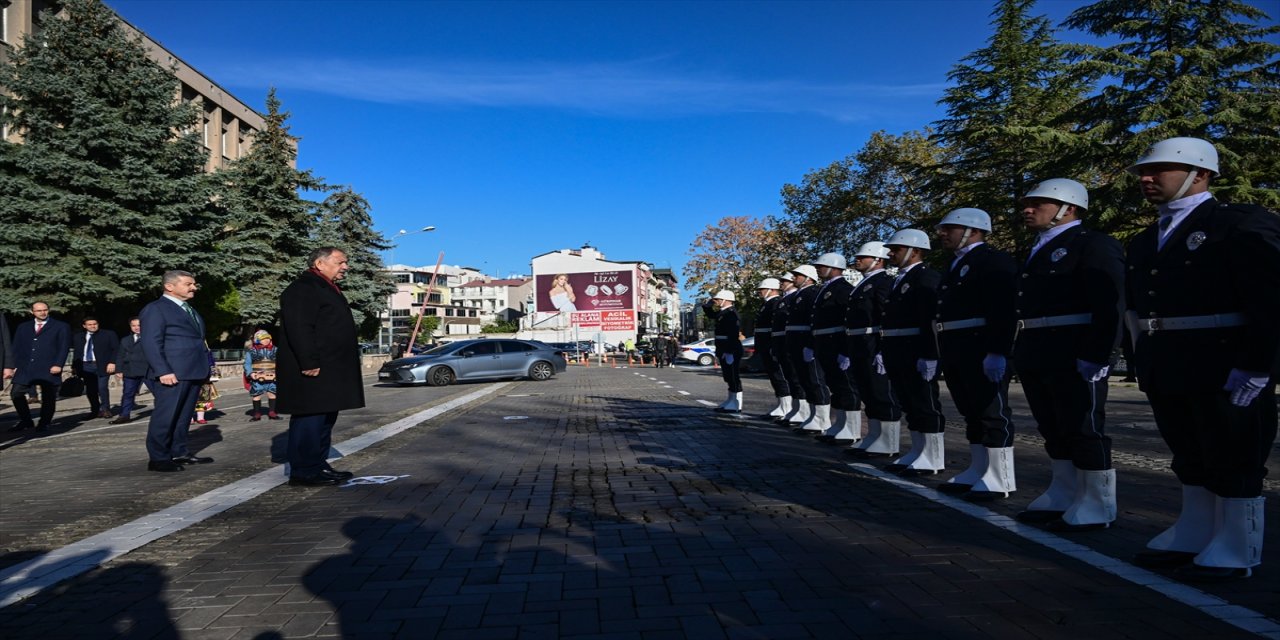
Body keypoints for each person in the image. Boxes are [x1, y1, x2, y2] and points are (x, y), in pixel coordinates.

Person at [1124, 137, 1279, 581]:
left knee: (1235, 455)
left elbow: (1271, 299)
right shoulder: (1145, 239)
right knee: (1188, 452)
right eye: (1142, 172)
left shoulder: (1240, 223)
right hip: (1169, 361)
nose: (1147, 179)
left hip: (1224, 362)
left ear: (1202, 174)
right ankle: (1196, 529)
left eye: (1160, 170)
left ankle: (1237, 544)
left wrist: (1259, 363)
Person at [1013, 179, 1125, 530]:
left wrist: (1100, 353)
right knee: (1052, 425)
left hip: (1075, 349)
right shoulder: (1036, 249)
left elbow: (1110, 303)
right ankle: (1063, 491)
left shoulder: (1092, 244)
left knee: (1084, 426)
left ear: (1069, 208)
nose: (1027, 210)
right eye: (1026, 204)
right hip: (1038, 348)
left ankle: (1097, 503)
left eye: (1038, 203)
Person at [931, 208, 1019, 500]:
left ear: (974, 230)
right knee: (971, 412)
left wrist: (998, 350)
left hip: (981, 345)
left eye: (950, 229)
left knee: (991, 411)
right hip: (958, 347)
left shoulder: (993, 260)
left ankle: (1000, 476)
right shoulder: (955, 265)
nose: (943, 234)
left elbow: (1003, 308)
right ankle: (979, 468)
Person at [277, 247, 364, 487]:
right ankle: (304, 471)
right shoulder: (303, 288)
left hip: (330, 369)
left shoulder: (324, 286)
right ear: (319, 263)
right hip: (313, 369)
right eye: (340, 262)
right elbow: (299, 327)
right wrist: (309, 361)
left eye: (346, 262)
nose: (345, 266)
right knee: (310, 420)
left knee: (325, 418)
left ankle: (318, 465)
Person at [880, 230, 946, 476]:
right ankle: (918, 451)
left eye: (896, 249)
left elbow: (929, 318)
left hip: (916, 349)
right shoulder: (900, 279)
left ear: (914, 250)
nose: (891, 253)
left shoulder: (926, 277)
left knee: (925, 403)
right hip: (898, 349)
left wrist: (931, 353)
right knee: (909, 403)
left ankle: (933, 456)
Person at [139, 270, 213, 472]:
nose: (194, 287)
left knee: (183, 416)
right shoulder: (156, 309)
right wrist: (163, 370)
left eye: (194, 284)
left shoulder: (188, 309)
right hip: (172, 373)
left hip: (192, 371)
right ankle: (158, 458)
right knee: (166, 416)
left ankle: (178, 451)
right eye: (188, 284)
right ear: (169, 286)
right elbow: (151, 342)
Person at [845, 241, 903, 457]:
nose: (857, 260)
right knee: (868, 392)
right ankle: (874, 435)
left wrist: (882, 348)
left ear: (878, 260)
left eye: (863, 257)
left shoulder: (884, 282)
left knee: (881, 392)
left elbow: (885, 316)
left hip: (873, 342)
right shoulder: (863, 284)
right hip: (860, 343)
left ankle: (888, 441)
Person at [809, 253, 861, 445]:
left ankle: (851, 429)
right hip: (825, 342)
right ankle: (840, 425)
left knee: (846, 386)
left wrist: (846, 350)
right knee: (836, 386)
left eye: (822, 265)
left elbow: (848, 319)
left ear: (834, 267)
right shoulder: (826, 288)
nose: (818, 269)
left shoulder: (843, 288)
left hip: (837, 342)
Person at [5, 301, 71, 432]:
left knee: (48, 396)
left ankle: (44, 422)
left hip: (48, 367)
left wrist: (58, 364)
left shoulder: (60, 326)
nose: (42, 312)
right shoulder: (23, 327)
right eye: (39, 310)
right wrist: (12, 365)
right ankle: (26, 420)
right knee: (16, 394)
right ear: (32, 312)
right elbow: (16, 347)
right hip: (25, 367)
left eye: (45, 310)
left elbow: (63, 347)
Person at [786, 264, 829, 434]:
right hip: (797, 343)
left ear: (808, 278)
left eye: (797, 275)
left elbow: (813, 321)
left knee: (815, 381)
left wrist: (810, 344)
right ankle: (813, 415)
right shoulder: (799, 295)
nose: (794, 278)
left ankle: (822, 419)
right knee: (805, 381)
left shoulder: (812, 293)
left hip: (806, 342)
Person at [771, 272, 806, 424]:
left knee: (797, 378)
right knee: (790, 377)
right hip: (784, 342)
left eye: (784, 281)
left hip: (793, 342)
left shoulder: (794, 297)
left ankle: (803, 411)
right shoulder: (784, 299)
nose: (783, 283)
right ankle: (795, 409)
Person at [753, 278, 790, 418]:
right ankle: (781, 404)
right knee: (774, 376)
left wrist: (772, 345)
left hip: (771, 342)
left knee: (779, 375)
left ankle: (786, 406)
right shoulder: (766, 304)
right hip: (765, 343)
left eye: (762, 290)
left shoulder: (776, 303)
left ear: (772, 289)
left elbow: (775, 326)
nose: (759, 292)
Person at [71, 316, 120, 420]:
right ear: (84, 326)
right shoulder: (78, 336)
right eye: (90, 324)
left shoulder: (108, 334)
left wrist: (112, 362)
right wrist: (74, 366)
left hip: (102, 365)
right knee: (91, 390)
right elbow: (77, 352)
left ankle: (105, 409)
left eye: (95, 324)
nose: (93, 326)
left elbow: (116, 349)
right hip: (86, 366)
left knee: (102, 388)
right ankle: (95, 410)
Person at [710, 290, 744, 412]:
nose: (717, 302)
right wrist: (707, 305)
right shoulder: (723, 312)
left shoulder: (731, 313)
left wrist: (729, 350)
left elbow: (733, 333)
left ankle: (736, 403)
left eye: (718, 299)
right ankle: (730, 400)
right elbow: (711, 315)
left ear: (726, 300)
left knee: (734, 376)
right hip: (723, 347)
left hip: (731, 348)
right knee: (728, 376)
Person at [112, 317, 150, 424]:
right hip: (130, 371)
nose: (136, 328)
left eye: (139, 325)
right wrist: (118, 369)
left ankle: (165, 414)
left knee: (158, 393)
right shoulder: (125, 340)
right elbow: (120, 355)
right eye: (134, 326)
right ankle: (124, 415)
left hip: (148, 370)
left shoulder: (150, 338)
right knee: (128, 393)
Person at [244, 329, 281, 421]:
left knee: (272, 394)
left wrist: (279, 372)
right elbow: (247, 363)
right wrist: (250, 373)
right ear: (257, 340)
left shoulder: (276, 350)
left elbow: (281, 362)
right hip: (257, 377)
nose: (266, 340)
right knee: (256, 395)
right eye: (264, 339)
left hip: (272, 376)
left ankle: (272, 412)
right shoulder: (251, 351)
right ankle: (257, 413)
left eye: (268, 338)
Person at [193, 353, 219, 425]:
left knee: (202, 399)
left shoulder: (205, 347)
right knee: (189, 400)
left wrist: (212, 371)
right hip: (189, 375)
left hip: (204, 377)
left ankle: (200, 418)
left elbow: (210, 360)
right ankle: (189, 418)